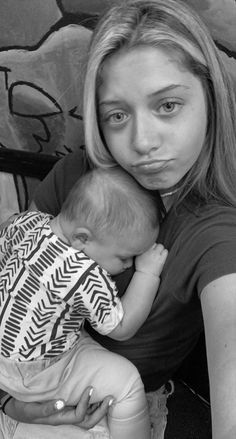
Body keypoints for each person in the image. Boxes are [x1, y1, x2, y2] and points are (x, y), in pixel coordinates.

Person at [1, 0, 236, 438]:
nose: (142, 142)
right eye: (117, 115)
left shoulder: (217, 230)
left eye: (167, 105)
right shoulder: (77, 174)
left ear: (210, 96)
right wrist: (9, 400)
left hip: (110, 398)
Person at [0, 166, 167, 439]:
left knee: (83, 343)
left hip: (8, 354)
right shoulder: (82, 273)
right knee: (125, 382)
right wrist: (148, 273)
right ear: (81, 239)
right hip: (33, 371)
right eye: (124, 257)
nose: (128, 265)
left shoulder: (27, 222)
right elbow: (122, 328)